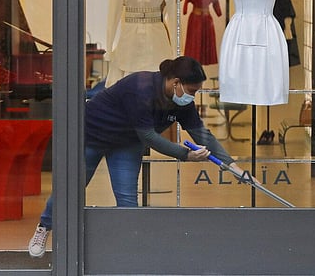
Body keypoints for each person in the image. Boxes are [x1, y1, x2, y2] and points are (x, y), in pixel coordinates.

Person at [28, 56, 250, 258]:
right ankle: (44, 227)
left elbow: (202, 133)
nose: (192, 96)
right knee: (71, 189)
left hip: (127, 143)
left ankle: (128, 250)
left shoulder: (182, 101)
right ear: (175, 82)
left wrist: (233, 166)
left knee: (127, 200)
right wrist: (186, 155)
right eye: (191, 90)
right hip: (91, 136)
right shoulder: (140, 88)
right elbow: (149, 137)